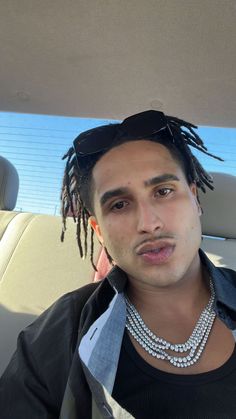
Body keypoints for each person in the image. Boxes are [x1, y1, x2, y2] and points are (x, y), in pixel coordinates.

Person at [0, 110, 236, 418]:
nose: (149, 223)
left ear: (195, 199)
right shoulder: (64, 329)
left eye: (163, 191)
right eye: (119, 204)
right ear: (99, 231)